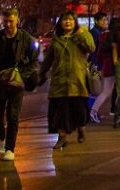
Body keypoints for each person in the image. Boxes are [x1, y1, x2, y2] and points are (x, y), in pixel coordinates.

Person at [0, 8, 37, 161]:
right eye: (5, 21)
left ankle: (10, 148)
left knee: (13, 115)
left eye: (11, 21)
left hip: (16, 82)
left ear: (17, 21)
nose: (8, 24)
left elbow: (33, 61)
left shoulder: (26, 38)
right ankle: (2, 138)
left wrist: (21, 75)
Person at [39, 11, 94, 150]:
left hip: (77, 80)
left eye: (70, 20)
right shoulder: (57, 39)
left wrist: (80, 34)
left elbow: (91, 47)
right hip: (60, 81)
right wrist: (41, 73)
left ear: (75, 22)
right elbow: (48, 59)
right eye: (64, 20)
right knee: (59, 111)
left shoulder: (82, 35)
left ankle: (81, 128)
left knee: (79, 110)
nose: (67, 22)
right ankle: (62, 137)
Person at [88, 13, 116, 124]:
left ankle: (93, 111)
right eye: (103, 20)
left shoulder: (100, 33)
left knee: (99, 90)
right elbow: (95, 51)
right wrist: (96, 65)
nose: (106, 22)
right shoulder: (95, 33)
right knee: (97, 90)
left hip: (100, 65)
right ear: (96, 21)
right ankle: (92, 112)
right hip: (98, 65)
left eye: (106, 20)